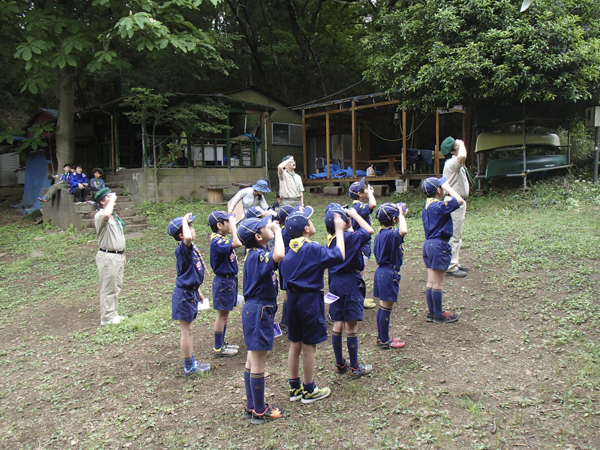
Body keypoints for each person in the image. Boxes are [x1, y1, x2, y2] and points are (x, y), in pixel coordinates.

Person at [280, 206, 345, 404]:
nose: (312, 222)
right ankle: (309, 389)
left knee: (295, 344)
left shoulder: (287, 253)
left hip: (292, 301)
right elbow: (338, 255)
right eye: (309, 221)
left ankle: (295, 387)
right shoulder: (313, 248)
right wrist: (340, 231)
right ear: (306, 230)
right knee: (309, 347)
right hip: (309, 302)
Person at [238, 216, 286, 424]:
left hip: (255, 309)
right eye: (265, 227)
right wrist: (278, 231)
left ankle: (252, 406)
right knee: (258, 360)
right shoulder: (258, 256)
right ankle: (259, 410)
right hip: (258, 311)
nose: (269, 226)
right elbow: (280, 254)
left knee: (252, 358)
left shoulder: (256, 253)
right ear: (258, 236)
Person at [326, 203, 374, 377]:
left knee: (338, 322)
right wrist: (354, 214)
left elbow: (348, 233)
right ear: (345, 224)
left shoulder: (332, 238)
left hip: (335, 282)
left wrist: (347, 222)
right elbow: (369, 230)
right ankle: (355, 366)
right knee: (351, 326)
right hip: (349, 282)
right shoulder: (350, 238)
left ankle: (340, 363)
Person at [167, 213, 210, 375]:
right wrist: (184, 220)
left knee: (190, 329)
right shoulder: (183, 249)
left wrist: (198, 290)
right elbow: (188, 238)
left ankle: (191, 362)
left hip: (190, 292)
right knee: (187, 330)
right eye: (189, 227)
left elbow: (187, 272)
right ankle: (189, 365)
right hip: (183, 295)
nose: (193, 230)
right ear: (181, 234)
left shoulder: (191, 250)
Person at [421, 177, 464, 323]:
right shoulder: (438, 206)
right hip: (439, 245)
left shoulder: (426, 208)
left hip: (428, 245)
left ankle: (432, 313)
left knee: (431, 281)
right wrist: (449, 188)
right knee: (438, 283)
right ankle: (439, 314)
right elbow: (459, 200)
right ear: (439, 190)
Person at [373, 203, 408, 349]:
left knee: (383, 307)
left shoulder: (380, 234)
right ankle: (384, 340)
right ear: (394, 219)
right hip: (388, 274)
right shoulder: (390, 235)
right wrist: (401, 214)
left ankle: (383, 337)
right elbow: (404, 231)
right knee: (386, 308)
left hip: (381, 273)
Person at [208, 211, 242, 357]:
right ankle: (218, 347)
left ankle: (222, 343)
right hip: (223, 282)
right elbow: (238, 243)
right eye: (228, 222)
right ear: (220, 225)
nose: (231, 224)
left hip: (229, 280)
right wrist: (234, 228)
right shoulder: (217, 241)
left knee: (225, 314)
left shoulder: (222, 238)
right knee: (221, 314)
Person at [94, 187, 126, 326]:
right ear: (102, 201)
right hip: (108, 256)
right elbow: (106, 215)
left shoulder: (113, 216)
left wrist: (122, 254)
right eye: (108, 197)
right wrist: (112, 200)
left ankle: (113, 313)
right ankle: (106, 317)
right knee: (108, 287)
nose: (112, 198)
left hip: (117, 256)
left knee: (116, 285)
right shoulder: (101, 215)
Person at [441, 137, 470, 278]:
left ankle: (454, 263)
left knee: (457, 235)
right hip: (454, 202)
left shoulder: (452, 162)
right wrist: (462, 145)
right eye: (456, 146)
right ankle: (451, 266)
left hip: (457, 202)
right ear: (452, 151)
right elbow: (463, 155)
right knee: (454, 235)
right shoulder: (452, 162)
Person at [348, 177, 377, 310]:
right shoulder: (359, 206)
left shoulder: (357, 206)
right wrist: (371, 193)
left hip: (362, 242)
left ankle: (360, 296)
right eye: (365, 188)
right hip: (362, 244)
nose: (367, 189)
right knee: (360, 272)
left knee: (361, 271)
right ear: (360, 194)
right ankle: (359, 298)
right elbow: (373, 205)